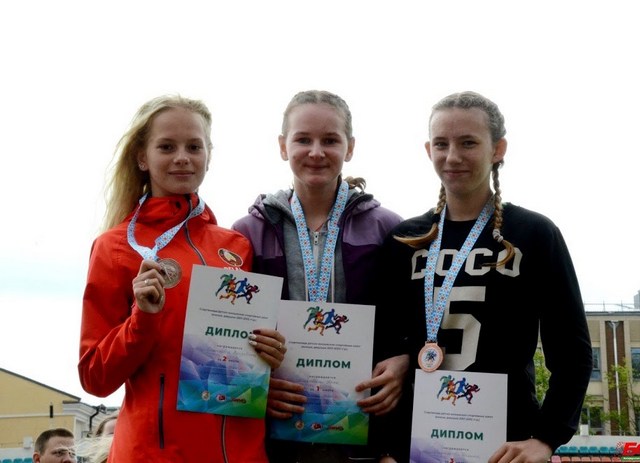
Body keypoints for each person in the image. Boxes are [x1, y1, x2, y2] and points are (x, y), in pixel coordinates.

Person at [378, 91, 593, 463]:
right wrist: (385, 446)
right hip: (416, 445)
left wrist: (546, 438)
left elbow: (572, 351)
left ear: (498, 149)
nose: (452, 156)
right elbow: (385, 342)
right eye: (441, 144)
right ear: (428, 150)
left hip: (507, 446)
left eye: (468, 143)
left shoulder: (534, 233)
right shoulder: (406, 239)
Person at [78, 94, 287, 462]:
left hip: (240, 452)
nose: (182, 157)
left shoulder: (236, 246)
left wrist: (271, 353)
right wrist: (142, 319)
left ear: (209, 154)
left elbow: (246, 357)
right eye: (166, 147)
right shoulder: (114, 247)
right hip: (154, 454)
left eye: (194, 146)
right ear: (142, 157)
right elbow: (95, 377)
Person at [232, 90, 407, 462]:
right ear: (283, 146)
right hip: (277, 436)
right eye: (302, 139)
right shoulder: (247, 233)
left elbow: (412, 319)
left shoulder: (388, 228)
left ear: (350, 147)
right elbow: (232, 329)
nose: (316, 152)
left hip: (366, 432)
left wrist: (404, 362)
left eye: (330, 140)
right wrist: (256, 385)